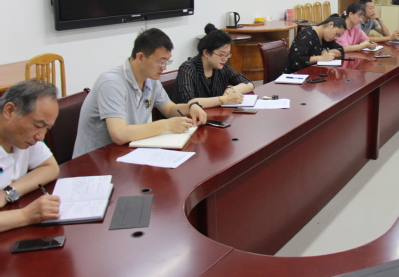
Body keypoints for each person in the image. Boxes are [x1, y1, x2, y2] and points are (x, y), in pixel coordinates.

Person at [73, 28, 208, 158]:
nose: (164, 67)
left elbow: (170, 109)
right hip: (95, 161)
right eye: (161, 61)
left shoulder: (150, 79)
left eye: (167, 61)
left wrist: (191, 107)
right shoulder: (111, 83)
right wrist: (166, 125)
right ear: (140, 57)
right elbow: (119, 135)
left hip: (126, 153)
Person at [0, 81, 61, 232]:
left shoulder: (22, 137)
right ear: (9, 111)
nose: (41, 137)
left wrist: (9, 192)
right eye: (38, 126)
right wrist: (25, 215)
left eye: (47, 129)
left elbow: (50, 167)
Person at [174, 24, 254, 107]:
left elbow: (248, 84)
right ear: (206, 53)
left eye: (227, 55)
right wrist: (223, 100)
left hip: (214, 113)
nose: (225, 59)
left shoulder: (222, 67)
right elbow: (189, 102)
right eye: (221, 55)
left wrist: (232, 90)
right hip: (190, 115)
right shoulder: (187, 69)